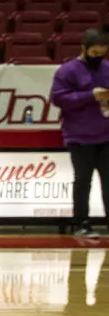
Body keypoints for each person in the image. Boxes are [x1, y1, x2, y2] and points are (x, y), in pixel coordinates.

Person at [50, 27, 109, 241]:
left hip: (106, 134)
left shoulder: (107, 68)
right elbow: (58, 99)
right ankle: (81, 223)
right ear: (83, 48)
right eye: (95, 54)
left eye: (102, 53)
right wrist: (89, 96)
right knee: (83, 181)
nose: (99, 58)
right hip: (79, 136)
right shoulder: (67, 71)